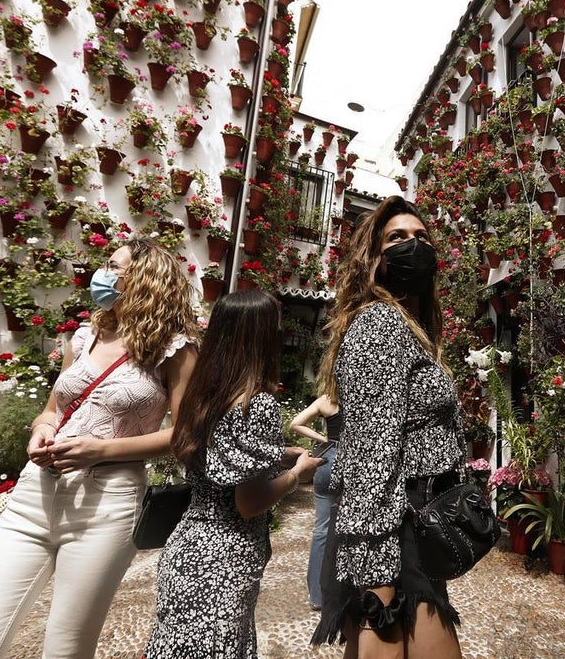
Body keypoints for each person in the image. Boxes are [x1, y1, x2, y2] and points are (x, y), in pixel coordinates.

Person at [0, 237, 199, 659]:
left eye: (113, 266)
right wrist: (40, 432)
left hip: (107, 506)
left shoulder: (174, 349)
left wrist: (100, 451)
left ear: (144, 279)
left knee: (67, 649)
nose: (102, 274)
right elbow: (51, 411)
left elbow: (184, 435)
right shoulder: (83, 337)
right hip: (33, 498)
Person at [311, 196, 466, 659]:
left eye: (421, 237)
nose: (413, 246)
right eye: (397, 238)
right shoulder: (380, 323)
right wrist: (377, 571)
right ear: (374, 260)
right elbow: (370, 453)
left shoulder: (408, 326)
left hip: (412, 521)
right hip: (397, 528)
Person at [145, 290, 322, 658]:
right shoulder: (256, 404)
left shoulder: (202, 397)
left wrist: (275, 456)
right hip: (226, 558)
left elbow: (220, 459)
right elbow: (249, 503)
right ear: (262, 336)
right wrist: (297, 474)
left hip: (187, 549)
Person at [288, 393, 342, 610]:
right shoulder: (361, 394)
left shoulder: (327, 399)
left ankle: (317, 597)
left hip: (327, 461)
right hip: (351, 462)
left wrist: (325, 440)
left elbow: (295, 424)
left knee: (321, 531)